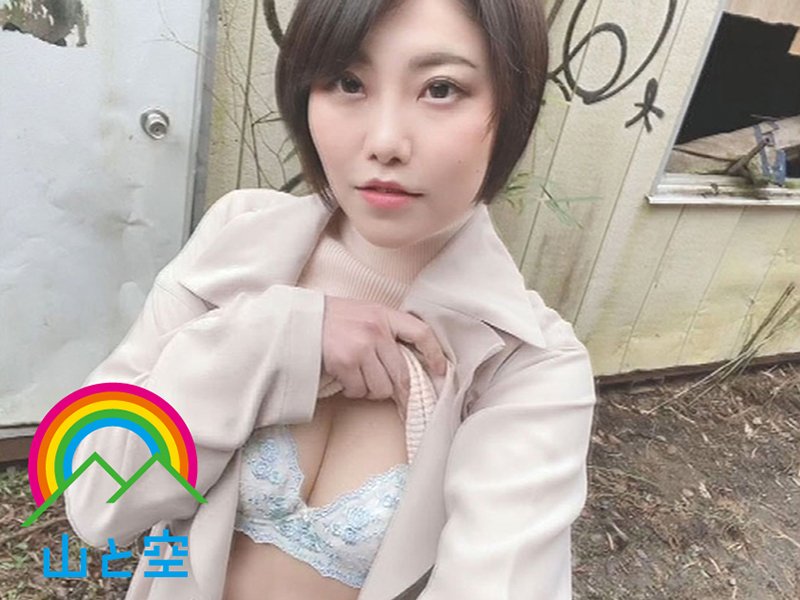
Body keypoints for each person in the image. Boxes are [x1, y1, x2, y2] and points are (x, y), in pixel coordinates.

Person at [63, 0, 596, 598]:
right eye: (348, 82)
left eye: (441, 89)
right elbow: (94, 498)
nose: (386, 142)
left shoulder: (528, 366)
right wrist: (275, 337)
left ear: (513, 108)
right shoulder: (240, 238)